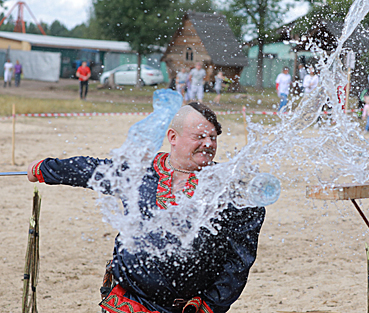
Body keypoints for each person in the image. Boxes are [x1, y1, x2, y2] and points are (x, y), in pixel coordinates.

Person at [26, 101, 265, 313]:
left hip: (191, 308)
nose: (208, 144)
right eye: (199, 136)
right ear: (173, 137)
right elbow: (91, 170)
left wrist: (212, 305)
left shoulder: (229, 189)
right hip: (132, 301)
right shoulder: (138, 172)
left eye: (213, 137)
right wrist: (44, 169)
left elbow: (239, 259)